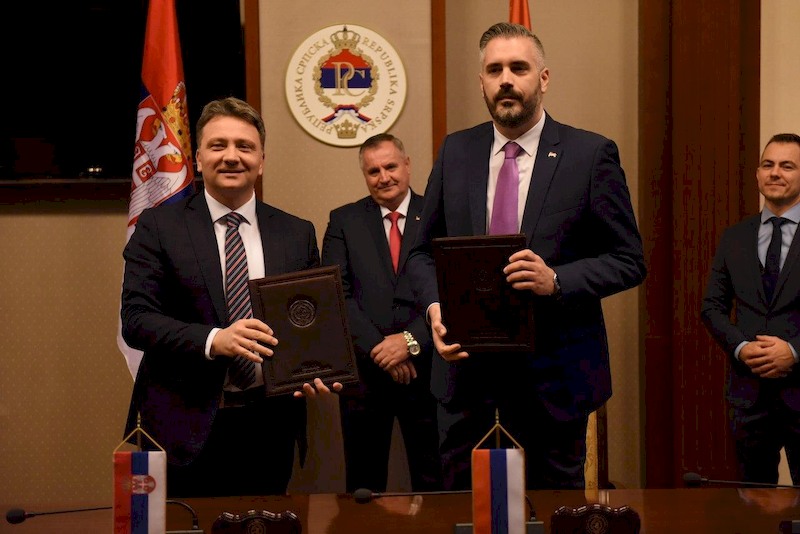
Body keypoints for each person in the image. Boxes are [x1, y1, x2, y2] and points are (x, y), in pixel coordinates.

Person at [406, 22, 646, 490]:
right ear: (481, 82)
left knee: (551, 512)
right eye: (494, 70)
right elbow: (420, 253)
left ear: (544, 78)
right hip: (466, 380)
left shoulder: (589, 154)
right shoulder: (456, 151)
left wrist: (556, 280)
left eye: (518, 68)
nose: (506, 80)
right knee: (469, 511)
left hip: (554, 383)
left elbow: (629, 259)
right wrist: (436, 308)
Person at [121, 96, 340, 497]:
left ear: (262, 160)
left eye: (245, 146)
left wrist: (316, 369)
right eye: (218, 145)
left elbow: (309, 322)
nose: (232, 157)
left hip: (269, 427)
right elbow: (136, 320)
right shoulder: (159, 226)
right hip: (183, 427)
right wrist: (214, 339)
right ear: (198, 158)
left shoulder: (296, 233)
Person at [321, 133, 443, 493]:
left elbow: (452, 289)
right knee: (363, 482)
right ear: (364, 175)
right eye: (373, 171)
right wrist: (381, 349)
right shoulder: (343, 220)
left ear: (407, 165)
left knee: (435, 480)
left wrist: (410, 341)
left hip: (429, 371)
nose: (384, 177)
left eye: (390, 166)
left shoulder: (439, 213)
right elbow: (335, 293)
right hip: (365, 374)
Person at [701, 133, 800, 485]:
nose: (775, 173)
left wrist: (794, 351)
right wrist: (741, 348)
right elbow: (711, 306)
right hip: (748, 395)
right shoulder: (735, 237)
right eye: (767, 164)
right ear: (757, 174)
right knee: (752, 501)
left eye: (787, 166)